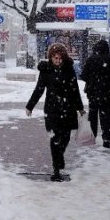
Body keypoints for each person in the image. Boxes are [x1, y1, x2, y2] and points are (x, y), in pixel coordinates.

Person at [26, 43, 85, 181]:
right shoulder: (45, 70)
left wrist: (80, 108)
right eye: (56, 58)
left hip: (68, 109)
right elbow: (39, 90)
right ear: (51, 57)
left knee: (65, 138)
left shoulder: (69, 70)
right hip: (52, 110)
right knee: (54, 139)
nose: (58, 61)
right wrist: (30, 106)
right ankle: (56, 169)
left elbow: (75, 90)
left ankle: (59, 158)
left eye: (60, 58)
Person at [80, 40, 110, 148]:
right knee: (106, 117)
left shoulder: (90, 60)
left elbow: (83, 76)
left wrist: (93, 80)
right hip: (107, 94)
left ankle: (92, 137)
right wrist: (108, 81)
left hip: (93, 93)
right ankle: (106, 139)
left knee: (92, 116)